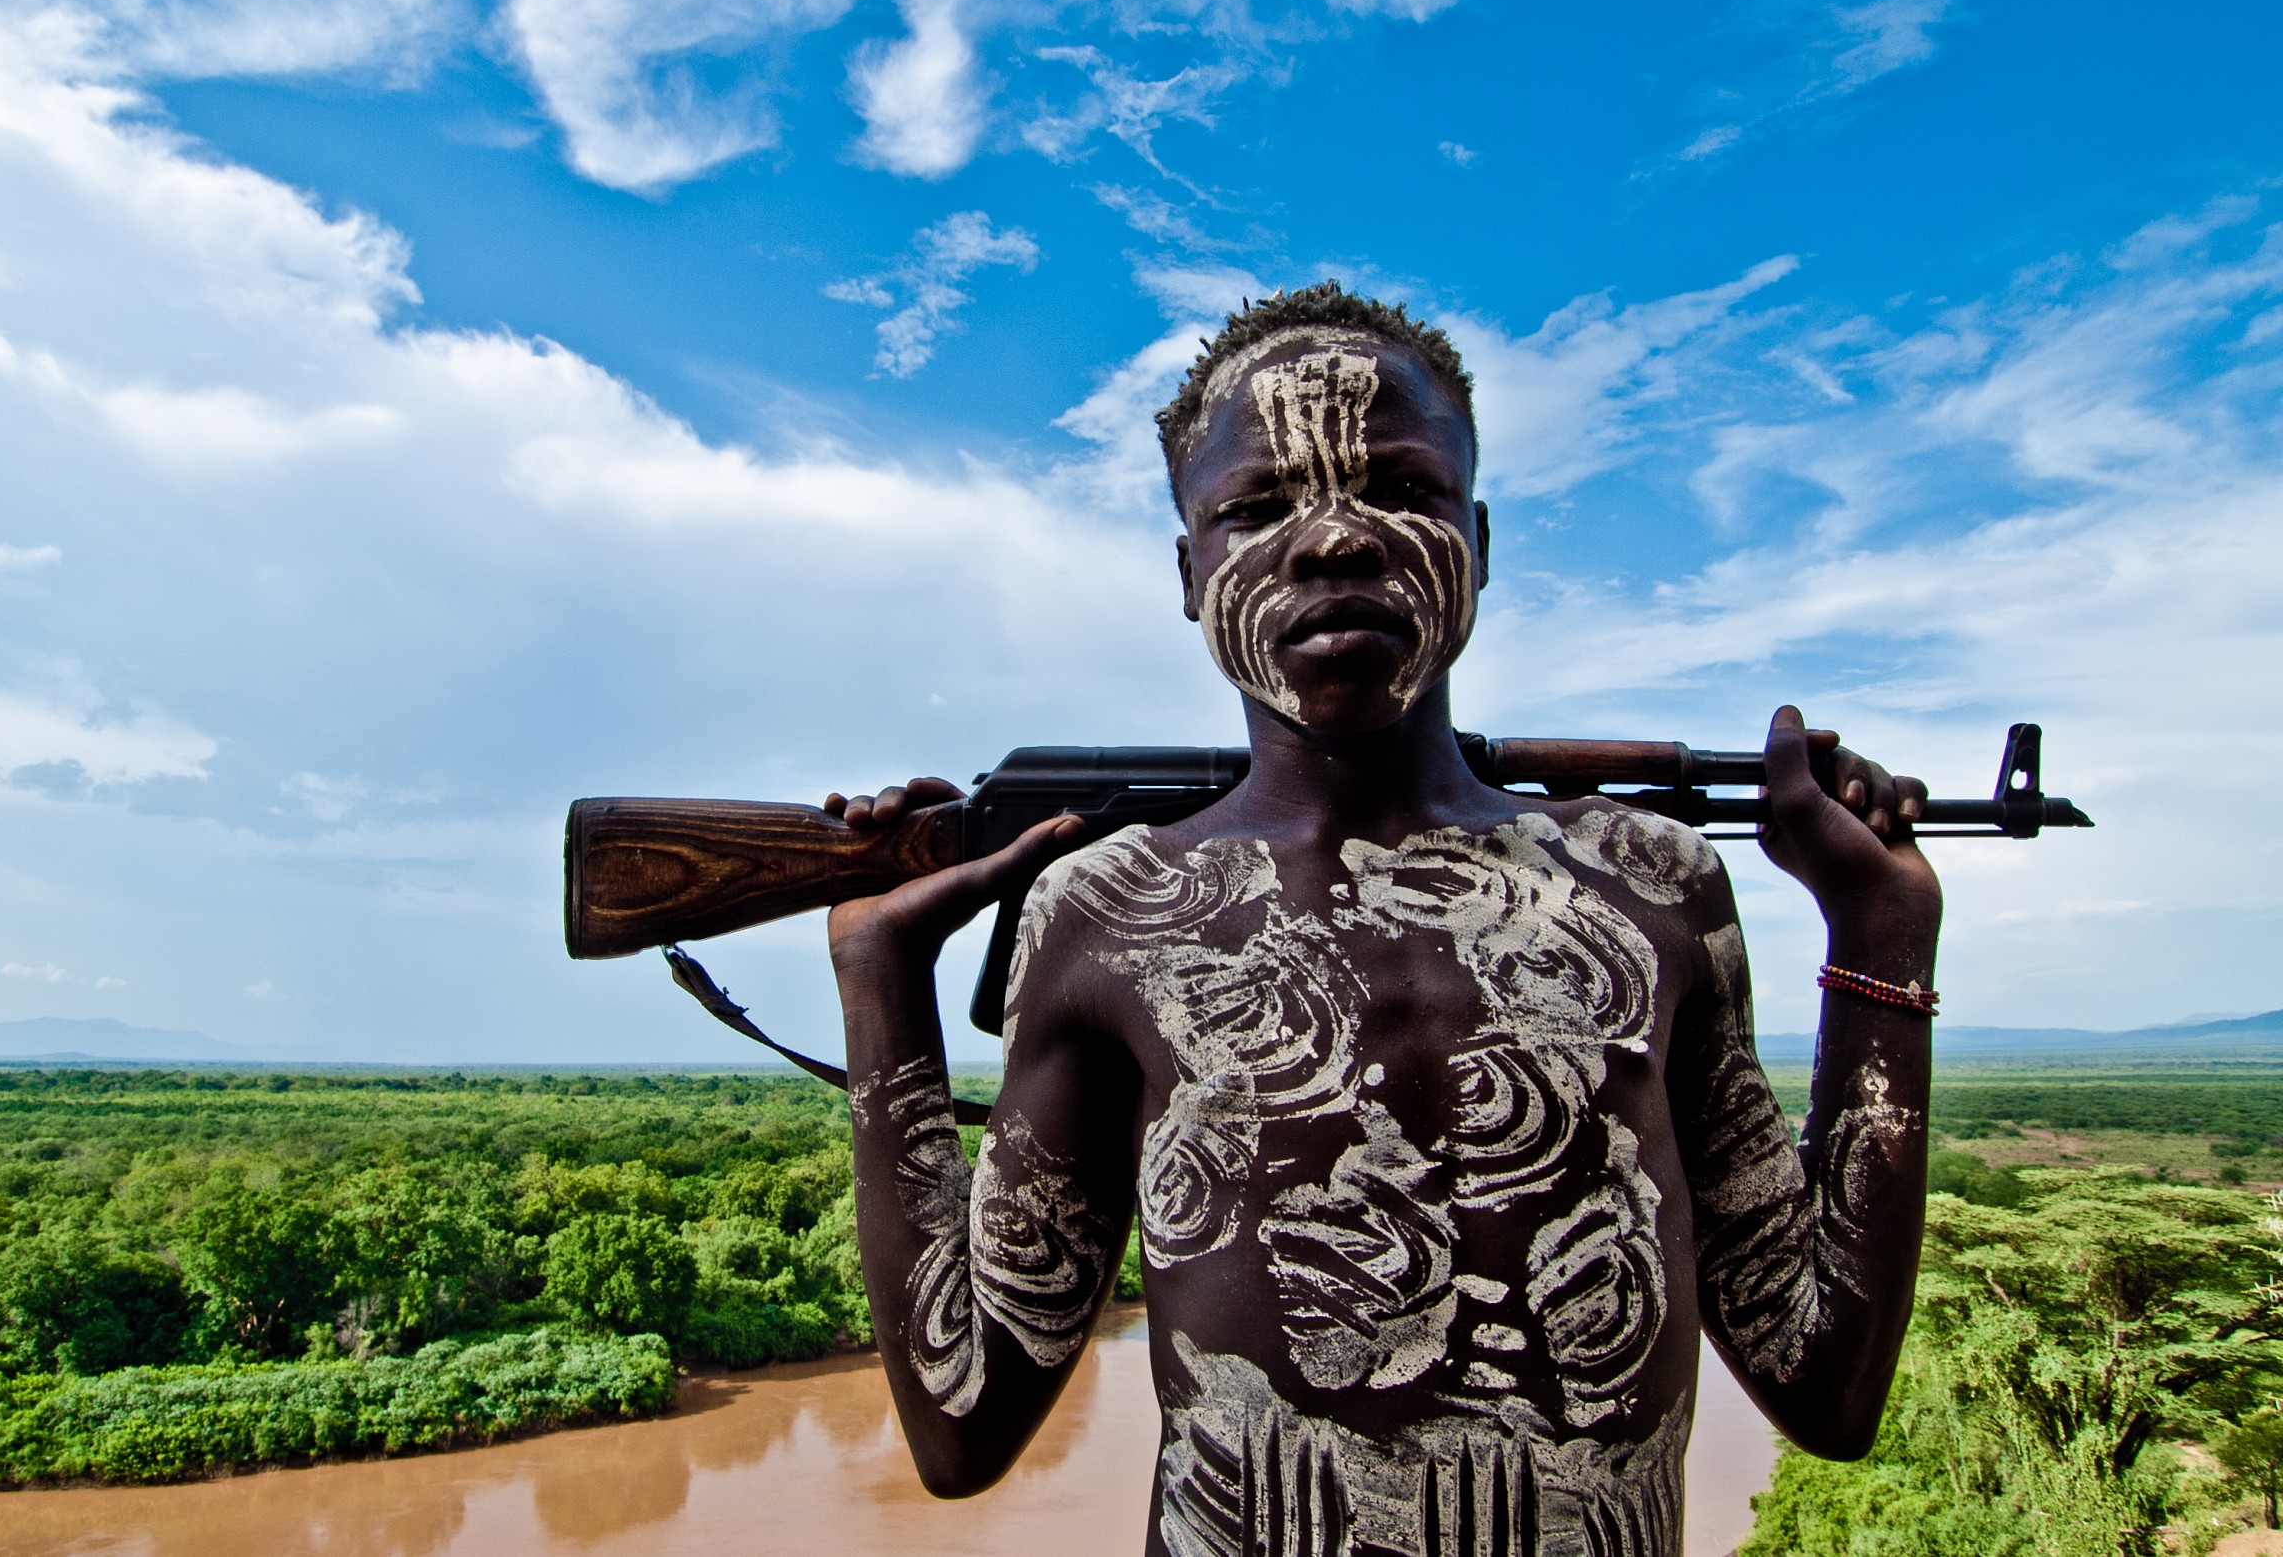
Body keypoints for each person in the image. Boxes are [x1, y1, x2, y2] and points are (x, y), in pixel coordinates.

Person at [821, 284, 1942, 1557]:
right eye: (1256, 507)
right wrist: (884, 983)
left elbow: (1828, 1387)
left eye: (1400, 489)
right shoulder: (1112, 913)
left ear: (1478, 537)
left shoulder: (1656, 885)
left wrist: (1879, 935)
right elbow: (962, 1426)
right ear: (1192, 572)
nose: (1335, 539)